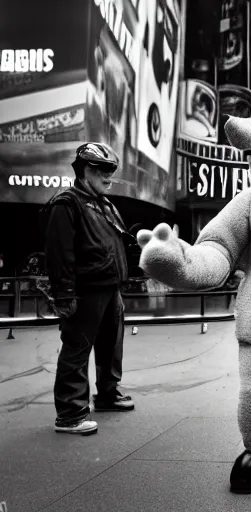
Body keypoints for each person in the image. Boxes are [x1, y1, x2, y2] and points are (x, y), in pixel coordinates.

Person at [43, 142, 134, 436]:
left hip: (110, 288)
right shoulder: (66, 203)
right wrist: (64, 295)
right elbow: (59, 254)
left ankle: (107, 395)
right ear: (84, 170)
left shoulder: (103, 204)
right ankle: (70, 414)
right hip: (85, 291)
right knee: (77, 349)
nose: (108, 176)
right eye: (102, 170)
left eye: (111, 170)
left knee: (111, 346)